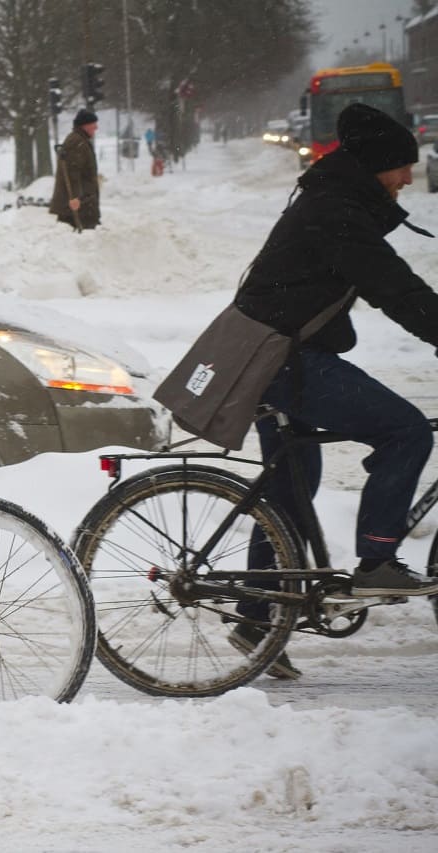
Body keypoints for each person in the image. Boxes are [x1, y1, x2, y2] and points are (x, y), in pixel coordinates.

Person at [232, 103, 438, 678]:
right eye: (401, 168)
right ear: (375, 166)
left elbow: (391, 285)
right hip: (284, 358)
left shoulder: (337, 201)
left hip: (269, 354)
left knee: (292, 491)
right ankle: (376, 558)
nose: (406, 180)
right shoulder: (336, 210)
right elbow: (393, 287)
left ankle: (256, 615)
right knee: (406, 430)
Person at [49, 108, 101, 229]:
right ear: (85, 125)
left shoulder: (80, 141)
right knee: (79, 242)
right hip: (77, 207)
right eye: (94, 124)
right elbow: (72, 173)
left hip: (83, 203)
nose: (96, 128)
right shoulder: (77, 142)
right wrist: (75, 198)